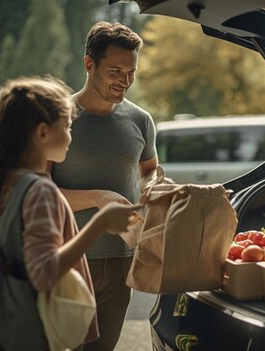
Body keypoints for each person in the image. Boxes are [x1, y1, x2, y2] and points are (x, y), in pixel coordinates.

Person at [0, 76, 141, 348]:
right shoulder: (40, 191)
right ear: (43, 132)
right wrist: (100, 223)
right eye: (68, 126)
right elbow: (42, 273)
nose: (71, 136)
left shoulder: (6, 181)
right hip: (31, 330)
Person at [50, 21, 158, 351]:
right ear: (89, 64)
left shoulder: (141, 120)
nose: (124, 81)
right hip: (66, 258)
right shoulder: (56, 117)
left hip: (120, 260)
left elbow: (149, 171)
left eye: (131, 72)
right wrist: (98, 198)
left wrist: (155, 187)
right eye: (115, 71)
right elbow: (37, 191)